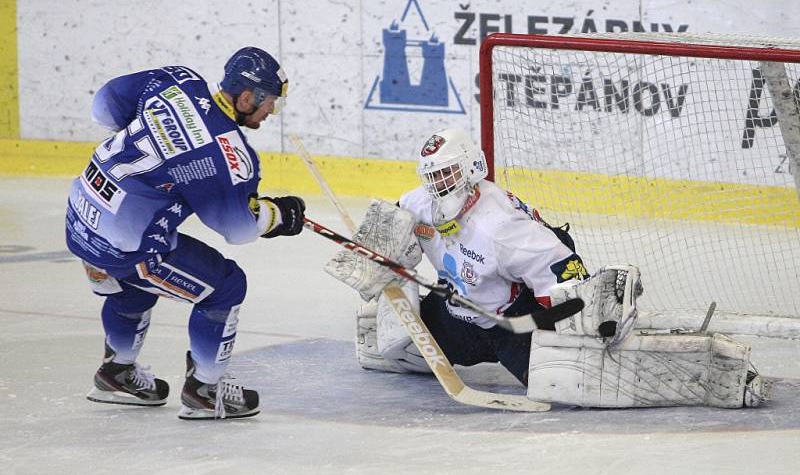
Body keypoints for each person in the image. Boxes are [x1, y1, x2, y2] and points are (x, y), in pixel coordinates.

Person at [327, 128, 773, 409]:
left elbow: (566, 277)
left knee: (570, 379)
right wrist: (375, 256)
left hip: (512, 320)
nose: (438, 186)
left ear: (471, 171)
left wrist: (559, 322)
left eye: (446, 175)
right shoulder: (419, 203)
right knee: (386, 347)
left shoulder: (502, 227)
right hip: (460, 314)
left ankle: (706, 371)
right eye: (432, 177)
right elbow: (383, 243)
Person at [65, 47, 306, 420]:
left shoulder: (175, 81)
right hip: (125, 246)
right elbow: (238, 228)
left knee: (132, 289)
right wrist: (278, 216)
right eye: (270, 102)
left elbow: (104, 106)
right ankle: (205, 389)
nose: (272, 111)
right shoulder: (227, 152)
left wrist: (162, 145)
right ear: (246, 97)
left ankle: (116, 373)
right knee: (225, 285)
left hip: (81, 216)